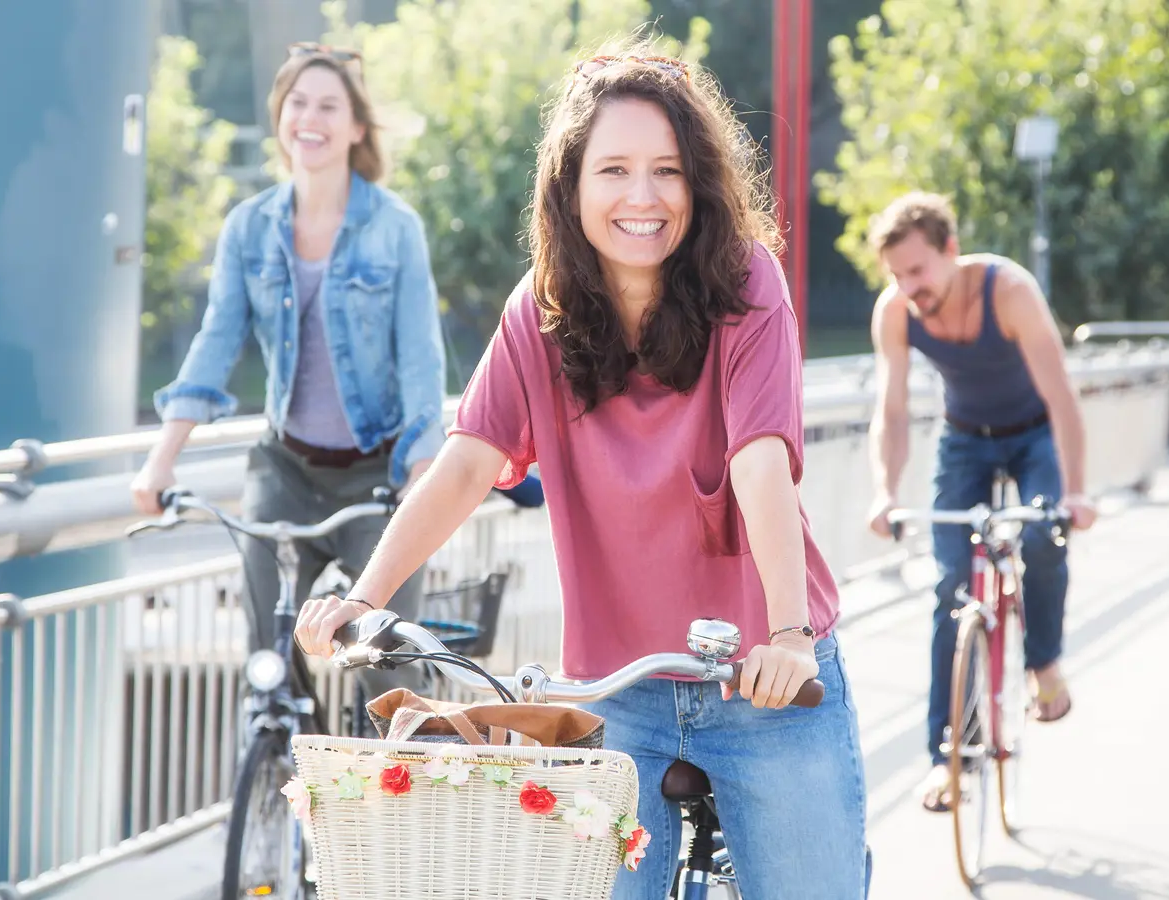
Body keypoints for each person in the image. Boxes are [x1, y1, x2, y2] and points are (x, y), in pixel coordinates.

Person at [295, 45, 869, 899]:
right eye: (615, 170)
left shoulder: (748, 285)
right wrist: (366, 598)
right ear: (570, 186)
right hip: (618, 696)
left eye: (668, 171)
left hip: (763, 685)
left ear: (700, 183)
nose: (643, 197)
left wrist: (788, 634)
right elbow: (468, 463)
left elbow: (760, 464)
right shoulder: (542, 309)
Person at [130, 44, 444, 709]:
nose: (311, 118)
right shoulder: (249, 229)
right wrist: (161, 461)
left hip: (377, 471)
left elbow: (422, 360)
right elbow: (216, 341)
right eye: (297, 103)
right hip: (287, 469)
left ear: (357, 126)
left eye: (329, 105)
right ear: (280, 118)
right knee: (270, 660)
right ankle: (289, 770)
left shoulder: (395, 229)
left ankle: (397, 785)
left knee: (385, 665)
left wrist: (423, 474)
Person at [863, 191, 1097, 810]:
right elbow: (890, 411)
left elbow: (1062, 399)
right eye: (897, 275)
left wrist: (1075, 491)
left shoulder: (1009, 292)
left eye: (918, 270)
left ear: (950, 250)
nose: (910, 287)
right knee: (952, 592)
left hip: (1033, 436)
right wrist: (885, 492)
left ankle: (1043, 664)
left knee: (1044, 537)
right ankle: (950, 760)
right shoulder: (896, 311)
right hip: (964, 441)